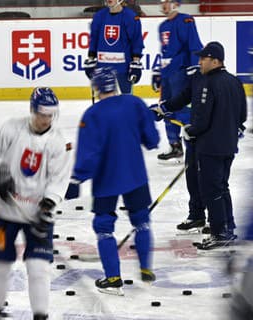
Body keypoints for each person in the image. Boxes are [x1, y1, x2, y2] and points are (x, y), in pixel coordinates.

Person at [0, 87, 72, 320]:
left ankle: (40, 319)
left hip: (40, 215)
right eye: (42, 114)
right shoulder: (9, 128)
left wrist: (47, 206)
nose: (46, 120)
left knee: (39, 268)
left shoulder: (58, 141)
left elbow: (59, 180)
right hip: (2, 213)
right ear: (32, 110)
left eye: (51, 115)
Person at [65, 67, 159, 296]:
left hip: (106, 179)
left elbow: (89, 154)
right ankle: (146, 268)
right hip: (135, 174)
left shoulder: (92, 115)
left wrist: (77, 179)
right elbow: (152, 139)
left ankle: (113, 278)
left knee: (104, 226)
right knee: (142, 220)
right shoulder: (135, 103)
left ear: (96, 88)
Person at [151, 42, 247, 250]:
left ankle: (220, 233)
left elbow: (202, 120)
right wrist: (164, 108)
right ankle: (227, 226)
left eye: (204, 58)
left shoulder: (208, 83)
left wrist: (191, 131)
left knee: (211, 188)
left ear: (216, 61)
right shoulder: (235, 81)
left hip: (210, 146)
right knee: (221, 186)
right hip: (228, 145)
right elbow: (242, 116)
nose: (200, 61)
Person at [153, 0, 203, 166]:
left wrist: (195, 67)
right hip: (167, 74)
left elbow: (194, 45)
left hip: (181, 73)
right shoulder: (162, 26)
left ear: (175, 3)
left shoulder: (186, 20)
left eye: (166, 2)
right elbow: (164, 52)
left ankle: (195, 144)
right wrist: (157, 72)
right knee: (166, 107)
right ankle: (175, 147)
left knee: (181, 108)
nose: (163, 6)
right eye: (162, 3)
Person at [84, 0, 144, 94]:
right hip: (102, 67)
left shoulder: (130, 16)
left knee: (126, 100)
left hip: (123, 68)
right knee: (105, 101)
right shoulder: (99, 16)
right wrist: (91, 59)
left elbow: (136, 40)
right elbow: (94, 38)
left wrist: (136, 62)